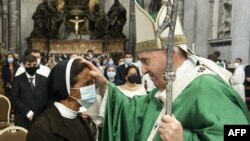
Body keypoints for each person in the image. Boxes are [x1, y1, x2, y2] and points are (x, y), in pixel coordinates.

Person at [83, 2, 250, 141]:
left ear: (172, 55)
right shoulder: (165, 86)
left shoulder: (206, 86)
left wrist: (184, 138)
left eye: (145, 61)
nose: (143, 70)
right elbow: (135, 112)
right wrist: (105, 87)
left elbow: (239, 133)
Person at [26, 58, 96, 141]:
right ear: (67, 88)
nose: (92, 88)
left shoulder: (81, 120)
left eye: (92, 83)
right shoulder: (42, 129)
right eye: (87, 84)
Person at [11, 55, 49, 129]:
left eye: (34, 65)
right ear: (24, 65)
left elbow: (47, 97)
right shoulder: (17, 80)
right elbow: (15, 99)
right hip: (23, 118)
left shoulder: (44, 79)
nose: (32, 67)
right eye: (29, 65)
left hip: (40, 118)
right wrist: (28, 113)